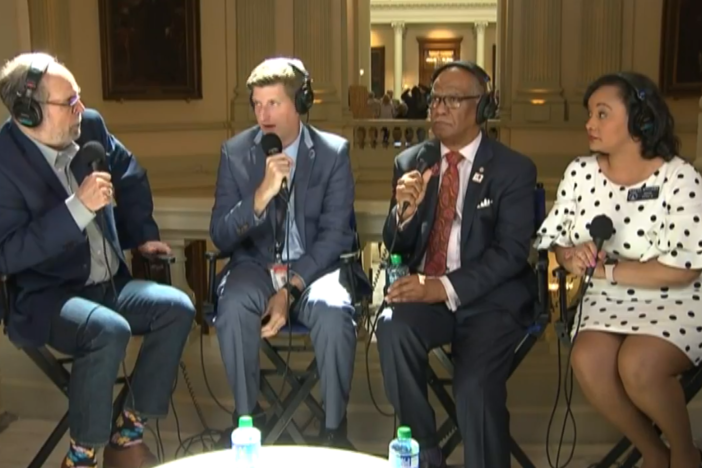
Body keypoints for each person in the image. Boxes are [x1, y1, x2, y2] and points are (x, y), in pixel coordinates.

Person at [0, 53, 195, 468]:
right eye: (69, 102)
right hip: (46, 297)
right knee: (109, 330)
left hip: (108, 285)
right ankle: (81, 456)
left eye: (80, 98)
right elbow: (8, 252)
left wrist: (141, 234)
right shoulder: (3, 162)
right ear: (28, 111)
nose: (81, 110)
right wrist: (76, 208)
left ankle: (127, 434)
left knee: (177, 308)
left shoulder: (90, 127)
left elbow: (130, 173)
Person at [535, 72, 702, 468]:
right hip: (606, 300)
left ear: (641, 121)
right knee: (588, 360)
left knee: (638, 365)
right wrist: (571, 254)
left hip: (676, 300)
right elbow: (556, 240)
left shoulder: (680, 177)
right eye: (589, 113)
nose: (590, 123)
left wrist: (609, 273)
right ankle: (653, 453)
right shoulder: (580, 172)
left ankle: (684, 452)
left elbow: (686, 268)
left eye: (602, 113)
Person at [376, 60, 537, 468]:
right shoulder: (412, 161)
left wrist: (442, 286)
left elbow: (511, 253)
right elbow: (394, 242)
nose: (438, 108)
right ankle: (425, 451)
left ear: (481, 107)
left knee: (474, 387)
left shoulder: (514, 169)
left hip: (492, 302)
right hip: (431, 303)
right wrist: (404, 212)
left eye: (452, 99)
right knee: (392, 326)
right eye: (434, 99)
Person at [209, 57, 368, 447]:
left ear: (300, 103)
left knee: (333, 311)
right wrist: (260, 196)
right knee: (232, 306)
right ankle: (248, 419)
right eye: (257, 104)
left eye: (274, 103)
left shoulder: (333, 154)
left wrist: (291, 287)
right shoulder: (235, 153)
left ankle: (333, 430)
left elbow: (335, 238)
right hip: (254, 266)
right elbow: (220, 236)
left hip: (316, 270)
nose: (263, 114)